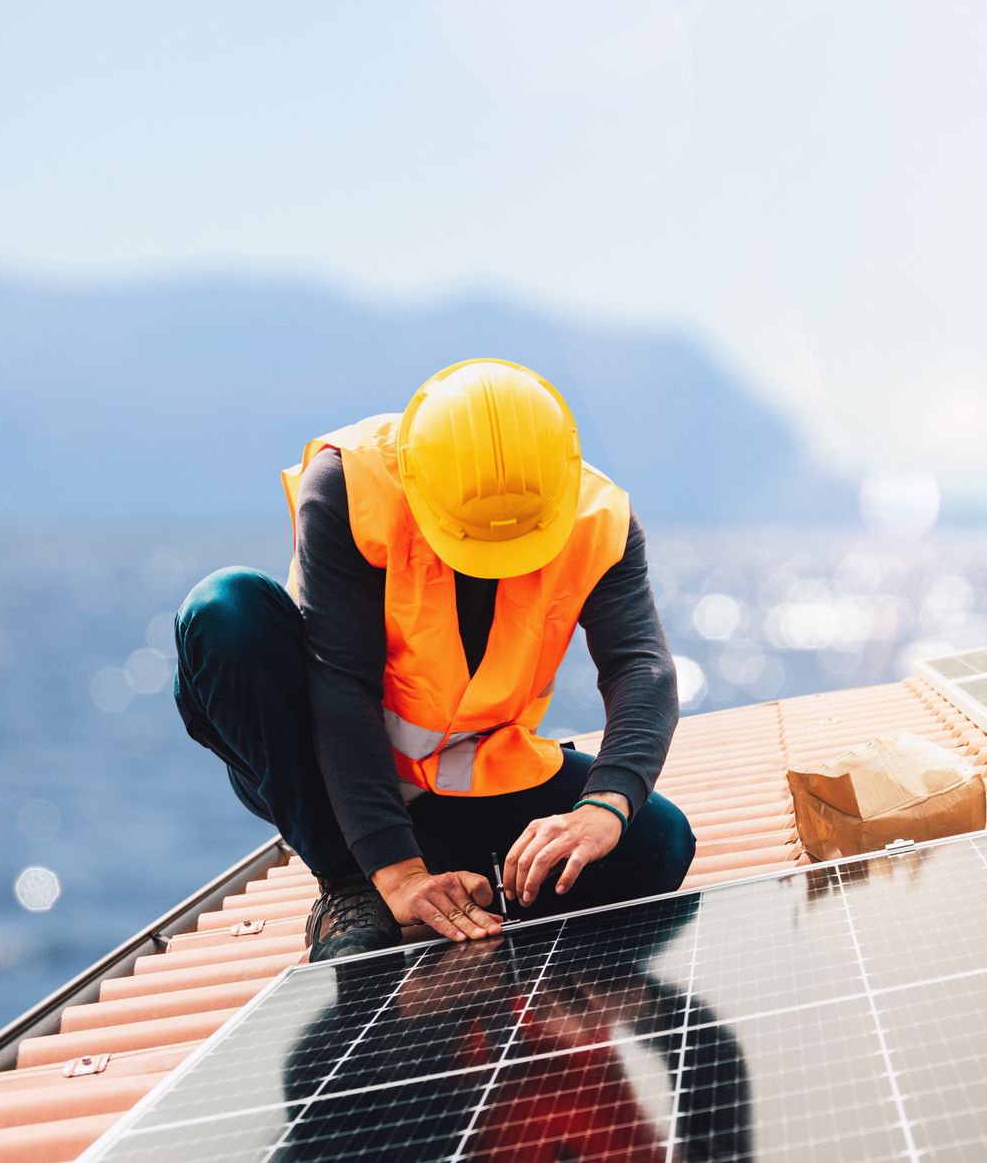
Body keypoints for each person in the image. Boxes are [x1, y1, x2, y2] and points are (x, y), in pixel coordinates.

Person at [171, 358, 695, 961]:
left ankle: (459, 874)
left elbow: (640, 669)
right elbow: (341, 687)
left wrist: (603, 807)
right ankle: (347, 881)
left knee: (658, 846)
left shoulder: (599, 520)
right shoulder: (350, 482)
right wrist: (395, 873)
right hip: (318, 768)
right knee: (225, 607)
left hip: (467, 772)